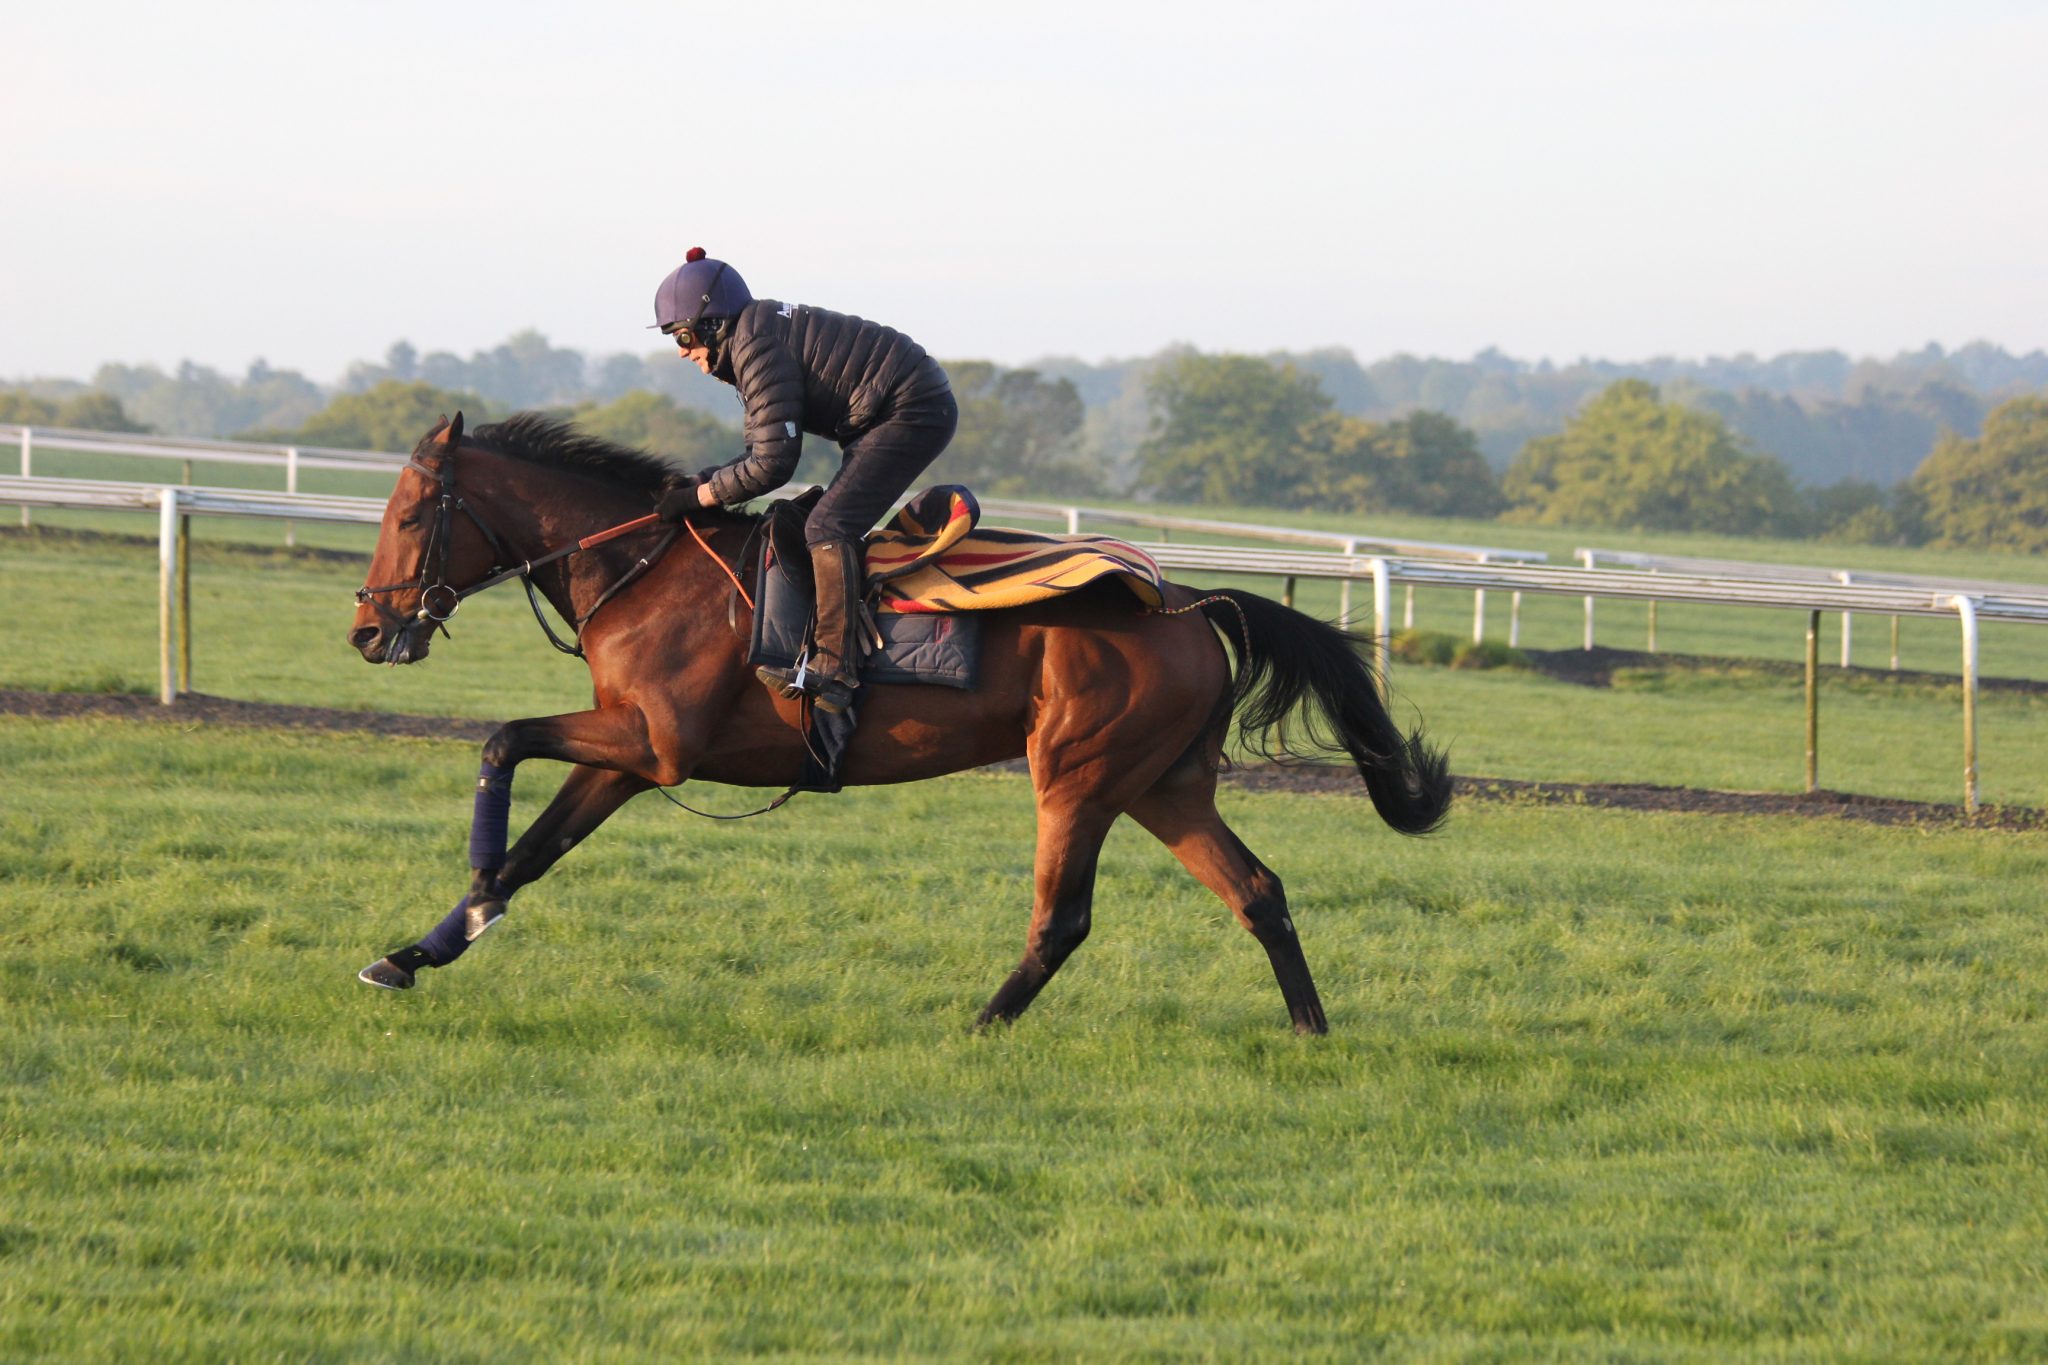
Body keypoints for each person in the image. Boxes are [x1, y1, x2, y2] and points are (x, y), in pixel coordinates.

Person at [650, 248, 957, 715]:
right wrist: (700, 481)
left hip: (910, 408)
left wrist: (699, 496)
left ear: (712, 324)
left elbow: (773, 465)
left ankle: (835, 668)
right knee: (807, 518)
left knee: (827, 527)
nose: (681, 351)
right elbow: (760, 451)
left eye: (684, 335)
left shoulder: (755, 346)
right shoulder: (752, 335)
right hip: (888, 408)